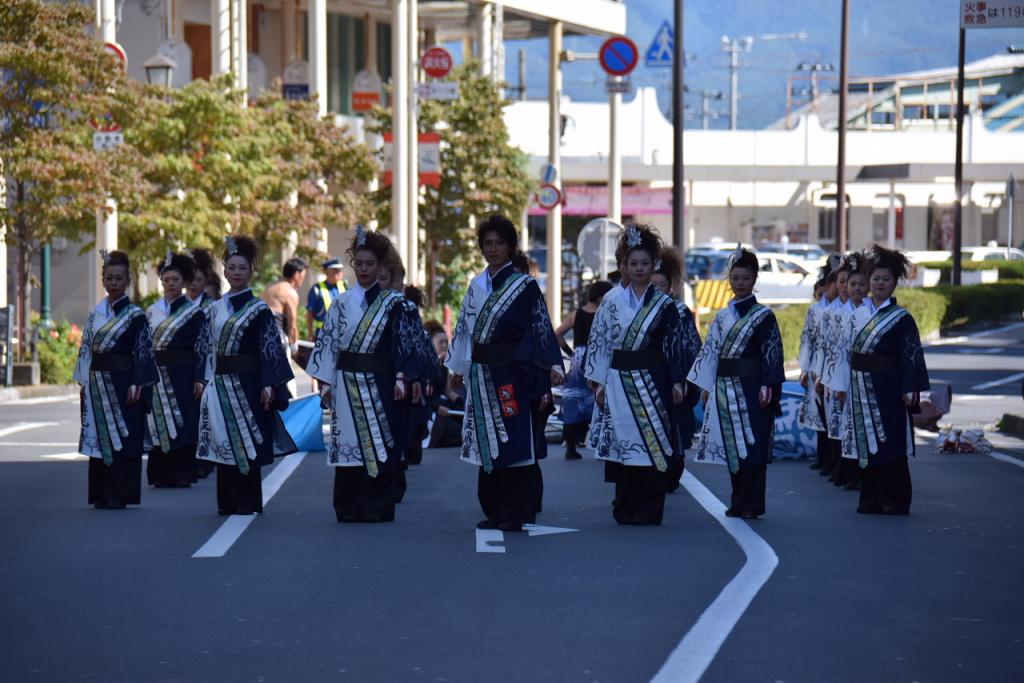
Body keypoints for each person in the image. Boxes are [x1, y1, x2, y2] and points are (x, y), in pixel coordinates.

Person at [306, 228, 435, 523]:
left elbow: (406, 345)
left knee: (380, 440)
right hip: (346, 381)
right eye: (359, 264)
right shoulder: (340, 303)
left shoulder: (395, 305)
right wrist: (325, 382)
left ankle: (377, 504)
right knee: (349, 442)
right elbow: (327, 344)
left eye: (370, 264)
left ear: (380, 266)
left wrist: (405, 376)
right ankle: (349, 506)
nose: (364, 270)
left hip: (382, 382)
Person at [446, 215, 564, 533]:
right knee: (487, 439)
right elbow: (464, 328)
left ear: (511, 247)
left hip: (512, 375)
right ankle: (494, 509)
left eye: (500, 243)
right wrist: (458, 367)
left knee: (514, 439)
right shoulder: (476, 285)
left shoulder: (524, 286)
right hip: (481, 374)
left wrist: (551, 366)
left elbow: (540, 326)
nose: (493, 249)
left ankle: (516, 510)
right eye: (488, 244)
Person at [584, 225, 690, 526]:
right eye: (634, 264)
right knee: (623, 441)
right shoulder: (612, 301)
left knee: (651, 441)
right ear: (624, 266)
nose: (640, 269)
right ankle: (624, 505)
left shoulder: (665, 305)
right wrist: (599, 383)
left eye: (645, 263)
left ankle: (649, 508)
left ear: (654, 263)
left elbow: (675, 347)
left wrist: (676, 381)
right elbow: (600, 341)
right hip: (619, 380)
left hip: (653, 379)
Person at [196, 235, 297, 516]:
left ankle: (248, 501)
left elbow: (269, 348)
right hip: (219, 383)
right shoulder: (213, 309)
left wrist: (268, 384)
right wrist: (202, 380)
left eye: (242, 267)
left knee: (248, 440)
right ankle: (227, 502)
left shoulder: (259, 310)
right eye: (231, 267)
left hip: (249, 383)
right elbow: (205, 348)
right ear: (225, 271)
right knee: (223, 439)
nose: (236, 272)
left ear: (251, 271)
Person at [827, 245, 929, 515]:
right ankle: (871, 498)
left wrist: (910, 388)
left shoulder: (901, 319)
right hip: (860, 385)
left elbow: (911, 354)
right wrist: (840, 385)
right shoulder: (857, 314)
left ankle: (894, 499)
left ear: (895, 283)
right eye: (876, 279)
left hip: (889, 387)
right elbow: (843, 350)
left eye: (886, 279)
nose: (880, 283)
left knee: (891, 441)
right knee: (865, 441)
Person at [687, 245, 785, 519]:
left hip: (753, 386)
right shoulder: (722, 316)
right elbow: (711, 352)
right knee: (732, 443)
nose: (739, 283)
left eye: (745, 278)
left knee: (752, 442)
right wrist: (707, 386)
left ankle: (752, 503)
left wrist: (768, 384)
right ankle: (737, 500)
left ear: (754, 280)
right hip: (725, 386)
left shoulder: (764, 315)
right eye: (735, 278)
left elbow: (772, 352)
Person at [74, 250, 159, 509]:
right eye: (109, 278)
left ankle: (120, 493)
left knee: (123, 435)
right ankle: (100, 493)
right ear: (103, 280)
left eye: (118, 278)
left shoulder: (136, 315)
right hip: (97, 380)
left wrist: (138, 381)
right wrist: (83, 381)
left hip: (124, 382)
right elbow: (86, 347)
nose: (113, 283)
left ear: (127, 281)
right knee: (100, 434)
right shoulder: (95, 313)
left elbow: (144, 351)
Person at [145, 252, 209, 489]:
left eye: (175, 280)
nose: (170, 284)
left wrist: (200, 377)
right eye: (166, 279)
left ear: (183, 282)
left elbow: (202, 347)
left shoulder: (193, 313)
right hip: (156, 373)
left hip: (183, 372)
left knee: (183, 422)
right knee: (157, 421)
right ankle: (160, 474)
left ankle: (182, 473)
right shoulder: (152, 311)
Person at [651, 247, 704, 490]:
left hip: (676, 373)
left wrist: (685, 378)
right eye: (653, 285)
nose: (656, 289)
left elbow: (691, 345)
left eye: (661, 285)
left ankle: (673, 469)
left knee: (676, 425)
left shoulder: (679, 311)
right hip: (651, 375)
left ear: (670, 287)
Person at [822, 251, 869, 491]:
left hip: (868, 379)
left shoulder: (873, 312)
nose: (857, 289)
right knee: (844, 426)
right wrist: (833, 380)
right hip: (844, 377)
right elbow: (832, 348)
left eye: (862, 284)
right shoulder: (838, 314)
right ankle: (848, 473)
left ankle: (864, 475)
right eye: (852, 284)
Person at [554, 281, 614, 460]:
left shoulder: (575, 314)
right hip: (599, 357)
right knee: (601, 399)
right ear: (601, 297)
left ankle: (571, 445)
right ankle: (601, 443)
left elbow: (557, 334)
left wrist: (570, 353)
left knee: (574, 398)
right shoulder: (606, 314)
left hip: (578, 359)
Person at [188, 248, 219, 480]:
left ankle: (205, 460)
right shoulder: (176, 306)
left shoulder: (211, 307)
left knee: (205, 415)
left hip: (207, 364)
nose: (193, 284)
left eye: (198, 280)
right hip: (183, 366)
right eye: (191, 279)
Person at [263, 257, 307, 397]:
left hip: (260, 337)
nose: (303, 280)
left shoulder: (270, 288)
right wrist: (294, 347)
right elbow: (292, 325)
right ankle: (291, 410)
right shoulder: (290, 292)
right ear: (296, 274)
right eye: (303, 276)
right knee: (287, 380)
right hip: (277, 338)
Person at [425, 320, 465, 448]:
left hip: (443, 406)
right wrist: (436, 408)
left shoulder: (443, 365)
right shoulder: (425, 365)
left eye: (445, 342)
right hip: (431, 409)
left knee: (465, 422)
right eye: (440, 342)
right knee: (459, 434)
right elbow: (424, 396)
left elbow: (447, 391)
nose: (444, 345)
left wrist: (462, 403)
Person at [306, 257, 345, 340]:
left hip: (342, 333)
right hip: (323, 333)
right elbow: (310, 313)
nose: (339, 273)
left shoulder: (345, 287)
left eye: (340, 270)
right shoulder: (317, 289)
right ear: (327, 271)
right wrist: (310, 333)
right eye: (335, 270)